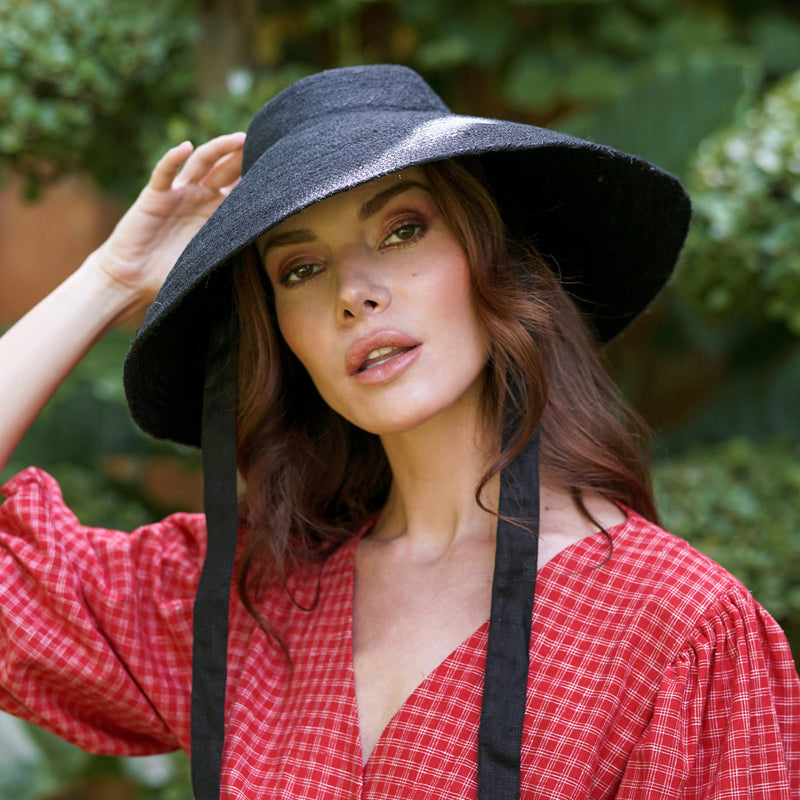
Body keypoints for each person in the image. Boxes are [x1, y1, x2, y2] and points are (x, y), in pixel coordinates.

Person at [0, 64, 798, 800]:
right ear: (282, 336)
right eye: (300, 269)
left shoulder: (678, 629)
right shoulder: (248, 596)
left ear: (495, 261)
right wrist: (109, 280)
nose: (355, 293)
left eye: (403, 229)